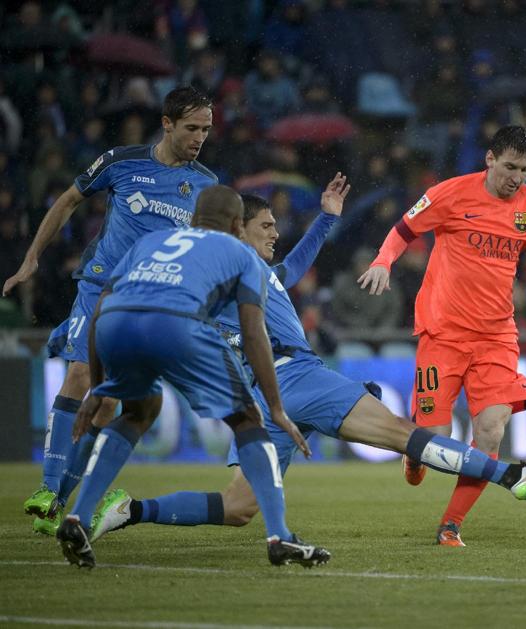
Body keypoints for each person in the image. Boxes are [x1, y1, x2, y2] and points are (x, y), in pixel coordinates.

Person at [89, 187, 526, 541]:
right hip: (296, 376)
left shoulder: (259, 272)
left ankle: (131, 510)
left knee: (237, 508)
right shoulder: (230, 267)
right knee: (402, 433)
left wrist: (324, 220)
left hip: (263, 397)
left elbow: (294, 266)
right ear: (237, 228)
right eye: (265, 226)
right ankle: (510, 475)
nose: (275, 233)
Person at [56, 185, 327, 570]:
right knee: (248, 420)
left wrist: (99, 389)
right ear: (237, 224)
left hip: (115, 322)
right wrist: (276, 408)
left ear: (195, 217)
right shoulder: (240, 253)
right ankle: (279, 535)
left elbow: (101, 307)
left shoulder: (150, 242)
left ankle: (77, 517)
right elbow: (254, 334)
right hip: (176, 322)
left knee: (139, 409)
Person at [4, 86, 218, 536]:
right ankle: (47, 487)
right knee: (81, 374)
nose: (200, 137)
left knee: (107, 405)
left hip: (151, 306)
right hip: (100, 286)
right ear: (167, 124)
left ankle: (60, 501)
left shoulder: (206, 185)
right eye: (192, 128)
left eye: (206, 129)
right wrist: (31, 258)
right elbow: (68, 200)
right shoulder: (121, 161)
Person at [358, 125, 526, 546]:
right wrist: (383, 261)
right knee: (435, 444)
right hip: (442, 334)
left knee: (492, 430)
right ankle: (415, 454)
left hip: (496, 337)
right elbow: (405, 228)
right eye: (511, 167)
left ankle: (451, 524)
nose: (517, 178)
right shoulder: (451, 194)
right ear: (490, 159)